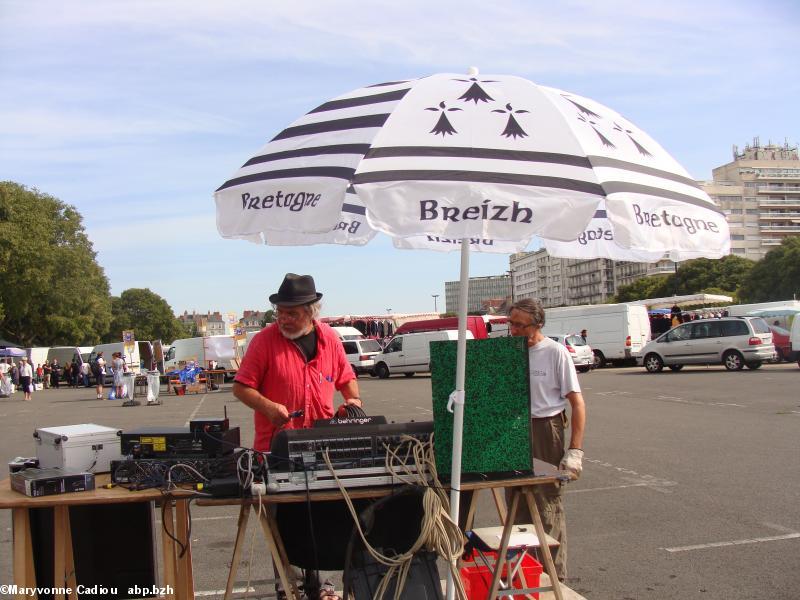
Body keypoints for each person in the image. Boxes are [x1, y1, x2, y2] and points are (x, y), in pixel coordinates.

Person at [233, 273, 361, 599]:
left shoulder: (330, 338)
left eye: (292, 313)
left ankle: (326, 586)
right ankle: (288, 589)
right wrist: (267, 406)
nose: (285, 319)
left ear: (311, 311)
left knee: (328, 519)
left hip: (323, 448)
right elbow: (241, 387)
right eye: (281, 312)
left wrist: (353, 402)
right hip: (276, 450)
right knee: (285, 526)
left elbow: (346, 378)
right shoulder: (263, 341)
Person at [507, 298, 586, 582]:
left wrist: (575, 450)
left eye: (519, 325)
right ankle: (523, 575)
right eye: (510, 323)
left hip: (545, 429)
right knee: (516, 501)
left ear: (537, 325)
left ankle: (553, 577)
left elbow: (577, 403)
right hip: (514, 430)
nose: (513, 330)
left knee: (546, 504)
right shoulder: (509, 352)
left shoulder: (555, 353)